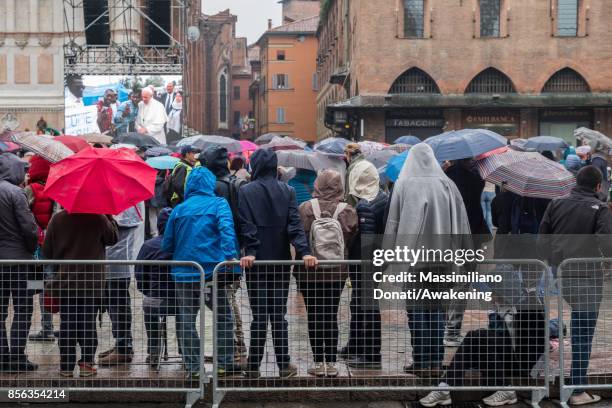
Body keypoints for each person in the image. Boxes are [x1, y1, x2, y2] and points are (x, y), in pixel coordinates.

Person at [384, 143, 471, 377]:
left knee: (416, 312)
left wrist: (388, 257)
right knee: (437, 312)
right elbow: (462, 224)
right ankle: (435, 360)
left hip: (413, 261)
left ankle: (421, 360)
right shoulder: (448, 185)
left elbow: (393, 224)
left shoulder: (404, 185)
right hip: (443, 260)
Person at [238, 149, 317, 379]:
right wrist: (304, 252)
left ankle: (253, 366)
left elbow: (246, 225)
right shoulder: (288, 190)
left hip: (256, 263)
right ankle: (283, 365)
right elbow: (294, 224)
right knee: (279, 316)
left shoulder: (246, 191)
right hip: (281, 262)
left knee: (259, 316)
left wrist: (251, 251)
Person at [537, 165, 612, 406]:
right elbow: (607, 242)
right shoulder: (600, 208)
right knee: (583, 334)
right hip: (588, 277)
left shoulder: (556, 204)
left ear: (575, 182)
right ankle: (577, 390)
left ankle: (570, 383)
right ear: (598, 186)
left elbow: (542, 239)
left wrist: (555, 260)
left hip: (562, 274)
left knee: (577, 327)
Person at [162, 167, 242, 379]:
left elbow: (167, 244)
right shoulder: (218, 204)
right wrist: (231, 258)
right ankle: (224, 362)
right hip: (212, 273)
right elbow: (226, 230)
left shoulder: (179, 209)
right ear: (210, 184)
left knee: (186, 319)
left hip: (184, 273)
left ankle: (194, 368)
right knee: (223, 316)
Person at [296, 169, 358, 377]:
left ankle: (317, 362)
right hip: (336, 272)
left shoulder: (304, 208)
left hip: (309, 272)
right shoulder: (347, 210)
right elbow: (350, 239)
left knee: (314, 315)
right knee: (331, 314)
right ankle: (331, 363)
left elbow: (298, 238)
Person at [43, 209, 119, 377]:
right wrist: (109, 216)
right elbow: (113, 238)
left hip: (66, 284)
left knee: (67, 325)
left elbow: (47, 251)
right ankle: (86, 364)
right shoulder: (98, 217)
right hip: (91, 285)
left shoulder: (57, 219)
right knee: (88, 324)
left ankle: (66, 366)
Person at [200, 145, 247, 359]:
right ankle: (228, 346)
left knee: (224, 300)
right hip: (235, 250)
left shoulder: (214, 188)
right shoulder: (238, 184)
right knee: (226, 298)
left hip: (218, 253)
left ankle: (234, 347)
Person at [343, 160, 388, 369]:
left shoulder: (365, 204)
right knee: (359, 303)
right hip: (376, 261)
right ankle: (355, 345)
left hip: (366, 263)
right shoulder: (382, 197)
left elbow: (366, 239)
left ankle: (369, 353)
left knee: (365, 306)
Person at [444, 158, 491, 347]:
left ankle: (445, 329)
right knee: (462, 284)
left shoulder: (447, 175)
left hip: (451, 234)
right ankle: (452, 331)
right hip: (473, 235)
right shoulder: (477, 174)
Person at [0, 153, 39, 372]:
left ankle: (1, 355)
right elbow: (28, 228)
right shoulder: (16, 193)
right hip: (18, 261)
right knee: (23, 309)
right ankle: (16, 356)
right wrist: (32, 247)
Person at [98, 203, 145, 366]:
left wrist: (106, 216)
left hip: (118, 263)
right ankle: (121, 343)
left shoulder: (127, 204)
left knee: (118, 305)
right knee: (113, 304)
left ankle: (124, 347)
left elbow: (122, 225)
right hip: (110, 261)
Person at [135, 208, 176, 368]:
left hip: (156, 299)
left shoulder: (148, 245)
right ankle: (186, 351)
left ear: (158, 225)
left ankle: (153, 352)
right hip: (181, 300)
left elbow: (139, 275)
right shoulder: (181, 244)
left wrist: (149, 291)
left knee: (149, 307)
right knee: (185, 314)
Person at [24, 156, 56, 343]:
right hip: (53, 246)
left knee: (36, 284)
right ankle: (53, 327)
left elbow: (24, 215)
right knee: (51, 283)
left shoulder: (31, 189)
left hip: (36, 246)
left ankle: (46, 328)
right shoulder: (56, 188)